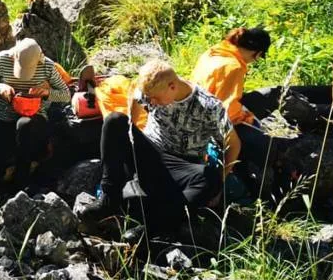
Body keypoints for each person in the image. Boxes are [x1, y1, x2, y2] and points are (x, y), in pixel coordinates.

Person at [82, 60, 239, 236]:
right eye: (149, 98)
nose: (151, 103)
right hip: (151, 154)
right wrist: (132, 132)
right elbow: (135, 98)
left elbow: (233, 143)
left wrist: (221, 182)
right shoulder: (151, 92)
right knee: (114, 121)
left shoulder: (208, 106)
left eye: (155, 98)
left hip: (182, 167)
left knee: (210, 177)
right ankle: (109, 199)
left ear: (172, 86)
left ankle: (149, 231)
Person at [190, 27, 278, 197]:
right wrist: (248, 118)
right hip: (210, 120)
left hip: (196, 108)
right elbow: (226, 110)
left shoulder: (214, 52)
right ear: (257, 54)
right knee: (265, 143)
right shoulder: (234, 66)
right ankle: (256, 188)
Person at [0, 38, 71, 188]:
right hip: (5, 116)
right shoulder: (2, 60)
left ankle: (22, 177)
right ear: (13, 56)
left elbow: (66, 95)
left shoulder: (47, 65)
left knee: (24, 125)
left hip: (34, 119)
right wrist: (0, 88)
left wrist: (46, 93)